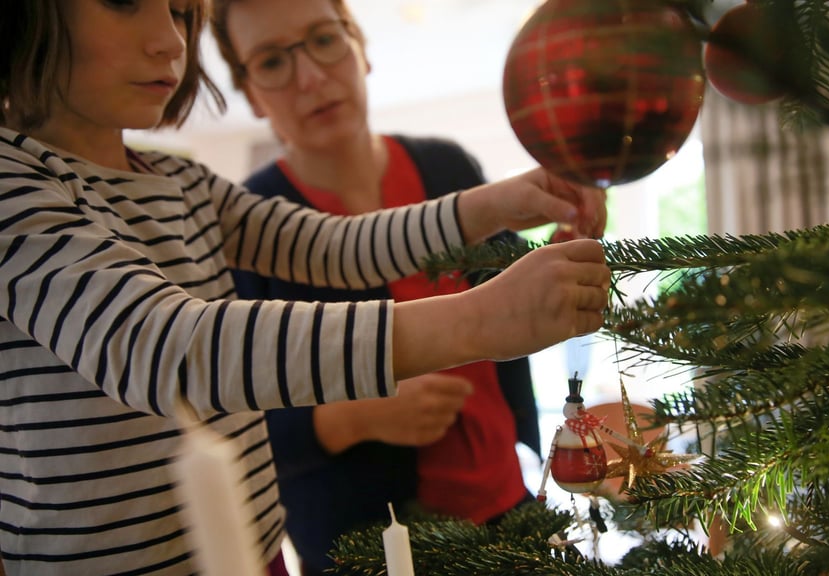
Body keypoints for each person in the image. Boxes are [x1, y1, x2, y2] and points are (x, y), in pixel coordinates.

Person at [0, 1, 611, 575]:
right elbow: (163, 346)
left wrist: (504, 200)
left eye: (182, 12)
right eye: (125, 1)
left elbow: (332, 247)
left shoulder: (182, 181)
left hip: (251, 547)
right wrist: (478, 322)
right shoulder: (15, 187)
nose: (171, 41)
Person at [207, 2, 603, 573]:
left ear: (359, 46)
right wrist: (349, 417)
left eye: (323, 39)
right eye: (271, 61)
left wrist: (562, 243)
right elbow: (225, 422)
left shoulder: (446, 167)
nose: (311, 77)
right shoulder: (246, 232)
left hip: (508, 510)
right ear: (249, 91)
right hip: (365, 545)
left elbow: (512, 293)